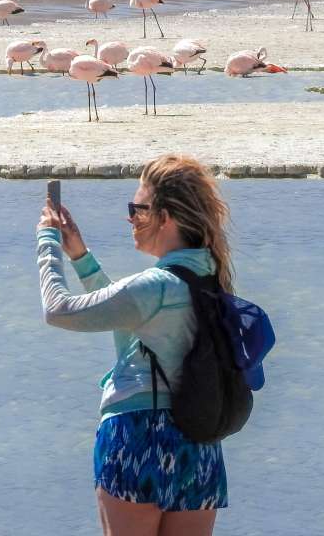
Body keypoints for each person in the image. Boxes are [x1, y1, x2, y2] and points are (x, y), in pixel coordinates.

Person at [35, 154, 234, 536]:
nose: (130, 218)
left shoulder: (154, 285)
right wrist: (80, 258)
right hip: (199, 444)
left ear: (167, 217)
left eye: (137, 209)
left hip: (138, 438)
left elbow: (57, 310)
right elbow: (132, 324)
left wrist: (47, 242)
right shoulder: (210, 277)